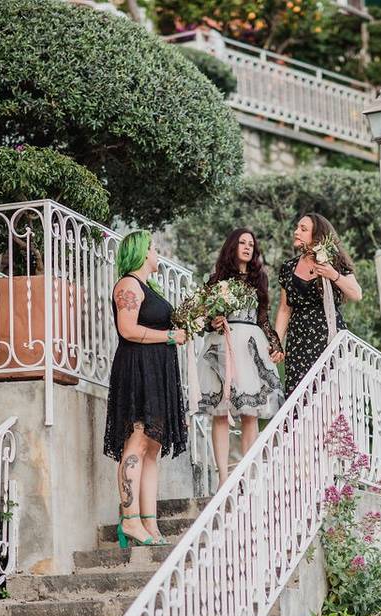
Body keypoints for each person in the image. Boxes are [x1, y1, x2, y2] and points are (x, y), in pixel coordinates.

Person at [104, 230, 188, 547]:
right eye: (153, 247)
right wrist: (168, 337)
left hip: (157, 370)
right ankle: (130, 520)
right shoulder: (129, 285)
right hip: (138, 369)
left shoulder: (148, 287)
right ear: (141, 252)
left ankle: (149, 522)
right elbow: (127, 329)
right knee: (137, 444)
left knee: (152, 448)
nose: (157, 252)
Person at [197, 228, 284, 490]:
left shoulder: (260, 279)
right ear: (232, 246)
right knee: (220, 413)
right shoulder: (216, 280)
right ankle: (223, 478)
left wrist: (275, 343)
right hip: (223, 343)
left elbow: (263, 317)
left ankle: (247, 475)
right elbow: (204, 321)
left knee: (250, 413)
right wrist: (214, 322)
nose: (247, 247)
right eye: (242, 243)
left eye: (251, 244)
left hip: (250, 345)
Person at [276, 214, 362, 396]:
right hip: (298, 342)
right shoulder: (287, 267)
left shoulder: (335, 263)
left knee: (329, 395)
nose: (296, 232)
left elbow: (356, 294)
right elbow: (284, 309)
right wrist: (277, 342)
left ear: (317, 236)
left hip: (328, 339)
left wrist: (333, 275)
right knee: (299, 397)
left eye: (303, 229)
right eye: (297, 228)